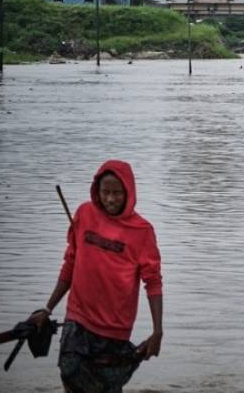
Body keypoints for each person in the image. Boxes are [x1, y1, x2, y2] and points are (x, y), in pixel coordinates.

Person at [30, 160, 163, 393]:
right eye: (105, 192)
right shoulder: (84, 214)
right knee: (70, 373)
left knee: (107, 386)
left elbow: (152, 282)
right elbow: (70, 263)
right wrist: (48, 308)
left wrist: (157, 330)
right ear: (97, 192)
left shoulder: (142, 231)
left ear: (128, 192)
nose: (110, 199)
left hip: (115, 327)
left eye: (117, 193)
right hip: (78, 318)